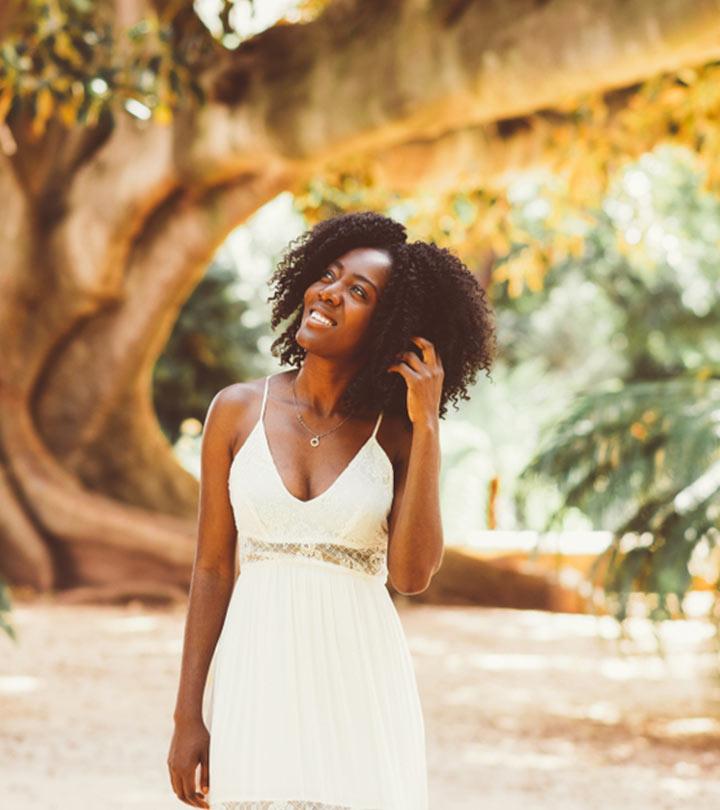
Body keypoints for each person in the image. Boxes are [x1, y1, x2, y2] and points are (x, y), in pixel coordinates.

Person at [167, 210, 496, 809]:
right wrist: (188, 715)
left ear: (390, 327)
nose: (329, 293)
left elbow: (411, 575)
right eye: (328, 275)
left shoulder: (397, 434)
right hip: (256, 676)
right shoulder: (236, 411)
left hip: (359, 683)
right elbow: (212, 569)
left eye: (358, 292)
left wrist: (427, 426)